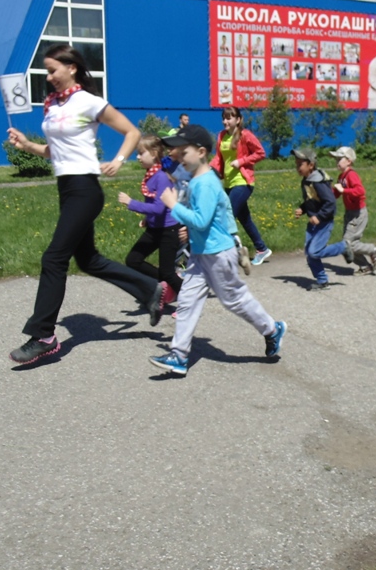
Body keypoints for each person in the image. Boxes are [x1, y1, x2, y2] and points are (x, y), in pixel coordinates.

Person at [7, 44, 164, 365]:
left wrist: (119, 160)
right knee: (89, 260)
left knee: (54, 258)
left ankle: (44, 336)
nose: (48, 76)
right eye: (47, 71)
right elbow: (55, 152)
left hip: (85, 189)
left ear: (72, 68)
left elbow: (131, 131)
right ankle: (150, 290)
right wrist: (26, 145)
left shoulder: (88, 102)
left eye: (52, 70)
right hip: (67, 188)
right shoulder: (52, 105)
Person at [149, 124, 286, 376]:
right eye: (176, 150)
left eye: (183, 150)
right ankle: (178, 356)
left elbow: (201, 220)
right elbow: (205, 220)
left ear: (201, 152)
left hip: (219, 253)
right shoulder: (194, 179)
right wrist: (187, 227)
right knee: (188, 301)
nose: (178, 154)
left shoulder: (207, 184)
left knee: (233, 300)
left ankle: (272, 329)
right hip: (201, 252)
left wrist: (173, 207)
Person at [118, 134, 183, 307]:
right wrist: (148, 219)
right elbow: (154, 203)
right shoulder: (150, 175)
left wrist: (131, 203)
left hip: (169, 230)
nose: (138, 157)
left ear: (154, 153)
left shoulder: (161, 176)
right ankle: (164, 286)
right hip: (155, 228)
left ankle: (188, 299)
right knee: (133, 260)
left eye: (141, 153)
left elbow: (159, 208)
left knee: (168, 273)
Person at [211, 106, 272, 266]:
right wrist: (210, 171)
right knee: (245, 219)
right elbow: (218, 158)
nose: (225, 121)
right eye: (223, 118)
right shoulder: (222, 136)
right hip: (229, 182)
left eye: (229, 118)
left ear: (238, 120)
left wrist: (241, 161)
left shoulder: (245, 135)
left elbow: (261, 153)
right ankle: (262, 249)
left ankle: (232, 252)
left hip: (243, 182)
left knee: (224, 215)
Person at [327, 146, 376, 274]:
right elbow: (335, 194)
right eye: (336, 159)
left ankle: (373, 250)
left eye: (339, 159)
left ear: (349, 161)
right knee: (348, 243)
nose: (337, 162)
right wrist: (326, 191)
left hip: (358, 213)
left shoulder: (352, 175)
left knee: (348, 244)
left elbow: (360, 191)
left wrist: (344, 190)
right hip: (350, 213)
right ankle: (365, 266)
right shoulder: (341, 177)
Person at [292, 148, 338, 290]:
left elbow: (330, 202)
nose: (298, 167)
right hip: (314, 222)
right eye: (296, 164)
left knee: (314, 252)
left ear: (311, 165)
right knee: (310, 253)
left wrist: (319, 216)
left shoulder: (318, 181)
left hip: (323, 222)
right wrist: (303, 208)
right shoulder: (306, 181)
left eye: (301, 164)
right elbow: (311, 200)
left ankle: (344, 247)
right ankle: (322, 281)